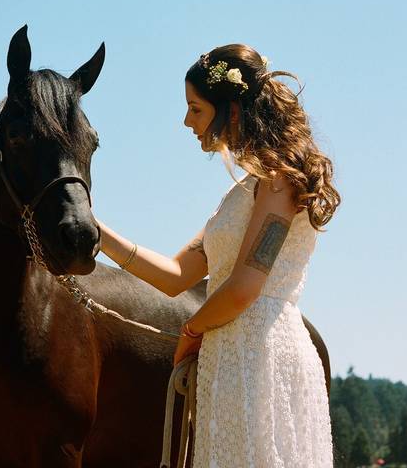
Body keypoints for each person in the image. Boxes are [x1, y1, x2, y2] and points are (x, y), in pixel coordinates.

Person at [96, 44, 340, 467]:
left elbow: (246, 287)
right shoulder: (244, 191)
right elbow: (175, 275)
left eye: (195, 108)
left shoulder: (278, 179)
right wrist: (96, 233)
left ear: (229, 109)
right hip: (229, 355)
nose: (187, 121)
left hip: (260, 355)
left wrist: (191, 332)